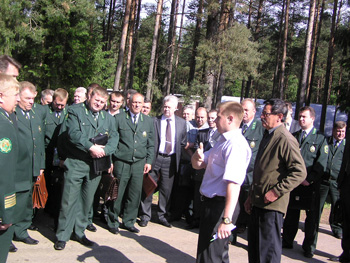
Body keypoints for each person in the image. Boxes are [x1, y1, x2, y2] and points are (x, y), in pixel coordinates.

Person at [54, 87, 118, 250]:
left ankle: (79, 232)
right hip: (76, 162)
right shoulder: (76, 111)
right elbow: (73, 133)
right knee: (68, 200)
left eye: (103, 102)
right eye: (97, 100)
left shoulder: (108, 118)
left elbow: (114, 138)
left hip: (95, 166)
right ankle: (63, 235)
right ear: (89, 97)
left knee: (87, 201)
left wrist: (105, 151)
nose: (99, 104)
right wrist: (91, 147)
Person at [245, 98, 307, 263]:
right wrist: (251, 195)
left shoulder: (285, 139)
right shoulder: (267, 135)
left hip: (271, 205)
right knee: (255, 251)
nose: (262, 117)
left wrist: (276, 191)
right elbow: (261, 169)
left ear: (279, 116)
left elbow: (299, 172)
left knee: (268, 252)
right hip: (258, 202)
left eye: (266, 114)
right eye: (262, 113)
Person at [191, 101, 251, 263]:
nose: (215, 121)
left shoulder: (235, 145)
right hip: (210, 205)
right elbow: (200, 164)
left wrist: (226, 219)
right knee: (209, 255)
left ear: (230, 119)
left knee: (212, 256)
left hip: (220, 207)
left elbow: (233, 184)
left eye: (218, 117)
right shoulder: (222, 141)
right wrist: (196, 157)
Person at [282, 106, 328, 258]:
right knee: (291, 214)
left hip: (310, 186)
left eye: (304, 117)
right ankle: (287, 240)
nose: (301, 119)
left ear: (312, 119)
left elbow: (322, 162)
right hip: (294, 184)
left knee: (311, 218)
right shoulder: (293, 136)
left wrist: (309, 179)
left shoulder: (320, 139)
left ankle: (309, 247)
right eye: (300, 116)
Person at [106, 93, 154, 234]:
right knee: (118, 193)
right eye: (134, 103)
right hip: (121, 161)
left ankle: (129, 221)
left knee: (134, 194)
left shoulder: (148, 121)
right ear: (129, 103)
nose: (137, 105)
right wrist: (110, 161)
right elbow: (111, 141)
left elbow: (151, 144)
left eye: (140, 103)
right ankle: (113, 221)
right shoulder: (119, 119)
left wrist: (149, 161)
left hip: (139, 163)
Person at [139, 95, 187, 228]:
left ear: (176, 108)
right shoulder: (154, 121)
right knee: (148, 187)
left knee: (166, 190)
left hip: (170, 160)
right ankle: (144, 215)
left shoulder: (182, 123)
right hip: (155, 158)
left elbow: (182, 143)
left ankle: (162, 215)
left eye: (169, 107)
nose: (166, 109)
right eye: (164, 106)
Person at [12, 81, 46, 249]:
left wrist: (41, 165)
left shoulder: (35, 114)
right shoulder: (12, 115)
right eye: (28, 98)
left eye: (33, 98)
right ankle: (8, 235)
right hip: (17, 167)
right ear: (17, 97)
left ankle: (22, 231)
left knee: (27, 202)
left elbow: (39, 141)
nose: (31, 102)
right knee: (14, 202)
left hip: (33, 167)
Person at [234, 98, 264, 236]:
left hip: (250, 174)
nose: (243, 113)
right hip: (235, 171)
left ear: (254, 111)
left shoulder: (260, 127)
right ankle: (234, 225)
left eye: (246, 110)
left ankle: (243, 224)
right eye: (242, 109)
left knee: (246, 200)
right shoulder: (236, 125)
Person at [0, 74, 20, 262]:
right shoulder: (4, 126)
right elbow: (4, 175)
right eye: (15, 94)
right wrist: (5, 214)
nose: (18, 99)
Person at [189, 109, 220, 229]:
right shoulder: (202, 132)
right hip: (200, 170)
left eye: (214, 118)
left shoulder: (221, 135)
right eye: (210, 118)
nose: (211, 120)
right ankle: (196, 219)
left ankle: (206, 222)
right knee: (197, 197)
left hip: (213, 171)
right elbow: (197, 147)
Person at [43, 88, 69, 229]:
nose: (59, 107)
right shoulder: (43, 111)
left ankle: (54, 210)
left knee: (59, 184)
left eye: (62, 105)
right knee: (46, 181)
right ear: (53, 100)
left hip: (61, 154)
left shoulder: (69, 113)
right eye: (57, 104)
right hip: (47, 151)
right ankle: (44, 209)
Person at [319, 121, 346, 239]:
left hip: (336, 181)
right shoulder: (326, 142)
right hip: (323, 180)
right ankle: (313, 225)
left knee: (337, 206)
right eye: (338, 131)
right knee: (317, 205)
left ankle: (337, 228)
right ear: (333, 131)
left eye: (343, 132)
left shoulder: (346, 145)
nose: (340, 134)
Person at [330, 127, 350, 262]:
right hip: (347, 183)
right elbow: (345, 159)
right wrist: (341, 182)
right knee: (346, 219)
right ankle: (346, 253)